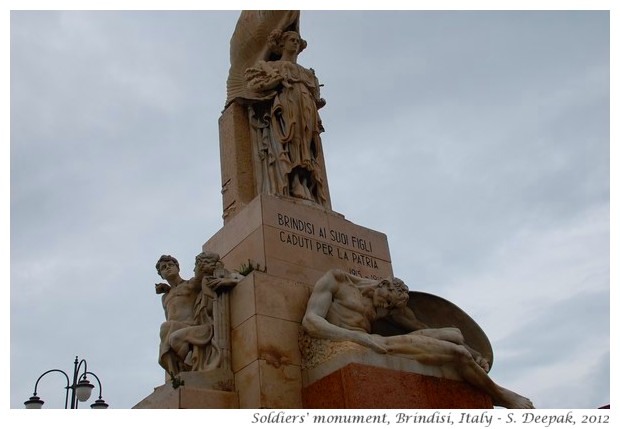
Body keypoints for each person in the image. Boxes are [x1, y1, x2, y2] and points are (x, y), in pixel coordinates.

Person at [301, 269, 535, 409]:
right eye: (387, 302)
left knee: (453, 335)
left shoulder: (389, 303)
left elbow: (418, 326)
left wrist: (478, 352)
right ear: (383, 284)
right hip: (367, 341)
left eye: (391, 308)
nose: (385, 309)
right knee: (458, 354)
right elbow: (311, 321)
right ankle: (501, 395)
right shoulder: (337, 281)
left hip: (377, 341)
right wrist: (359, 339)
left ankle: (474, 359)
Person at [245, 29, 328, 206]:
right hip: (286, 107)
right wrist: (273, 82)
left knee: (307, 146)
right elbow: (253, 85)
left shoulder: (308, 73)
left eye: (298, 40)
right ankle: (294, 181)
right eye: (291, 39)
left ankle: (306, 182)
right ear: (281, 44)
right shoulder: (272, 67)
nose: (295, 43)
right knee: (292, 142)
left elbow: (315, 96)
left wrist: (318, 102)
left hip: (306, 109)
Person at [154, 254, 219, 376]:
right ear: (161, 275)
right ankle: (177, 376)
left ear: (178, 268)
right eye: (163, 267)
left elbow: (205, 274)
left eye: (171, 265)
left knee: (167, 329)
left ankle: (184, 369)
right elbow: (169, 317)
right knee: (166, 333)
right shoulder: (165, 297)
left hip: (193, 327)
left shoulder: (190, 284)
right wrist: (168, 290)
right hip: (173, 330)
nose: (168, 268)